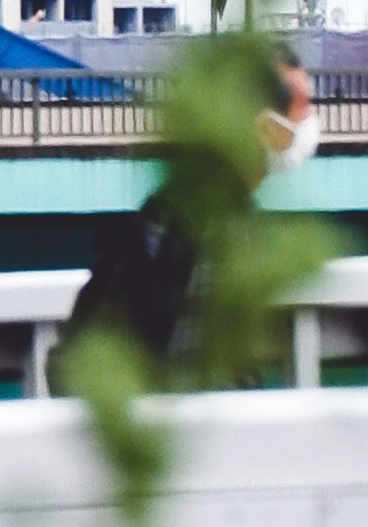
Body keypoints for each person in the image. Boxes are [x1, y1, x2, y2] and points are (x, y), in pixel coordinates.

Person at [53, 49, 316, 378]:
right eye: (298, 106)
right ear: (264, 126)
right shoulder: (216, 223)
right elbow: (203, 372)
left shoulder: (183, 205)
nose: (307, 121)